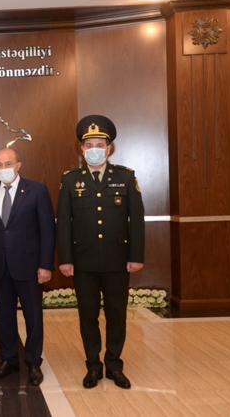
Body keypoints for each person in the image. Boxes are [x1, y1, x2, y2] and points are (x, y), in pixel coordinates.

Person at [56, 114, 145, 390]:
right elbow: (63, 223)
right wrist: (66, 259)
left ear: (109, 148)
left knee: (116, 315)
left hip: (117, 261)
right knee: (88, 316)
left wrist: (136, 256)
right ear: (81, 149)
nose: (94, 149)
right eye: (89, 145)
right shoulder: (70, 180)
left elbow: (137, 219)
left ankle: (114, 365)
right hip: (83, 262)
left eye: (99, 145)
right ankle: (93, 366)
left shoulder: (125, 177)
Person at [0, 148, 56, 386]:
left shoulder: (37, 190)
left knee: (33, 317)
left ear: (18, 165)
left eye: (8, 164)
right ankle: (9, 360)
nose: (3, 169)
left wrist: (45, 265)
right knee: (4, 317)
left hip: (29, 266)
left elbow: (47, 230)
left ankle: (33, 362)